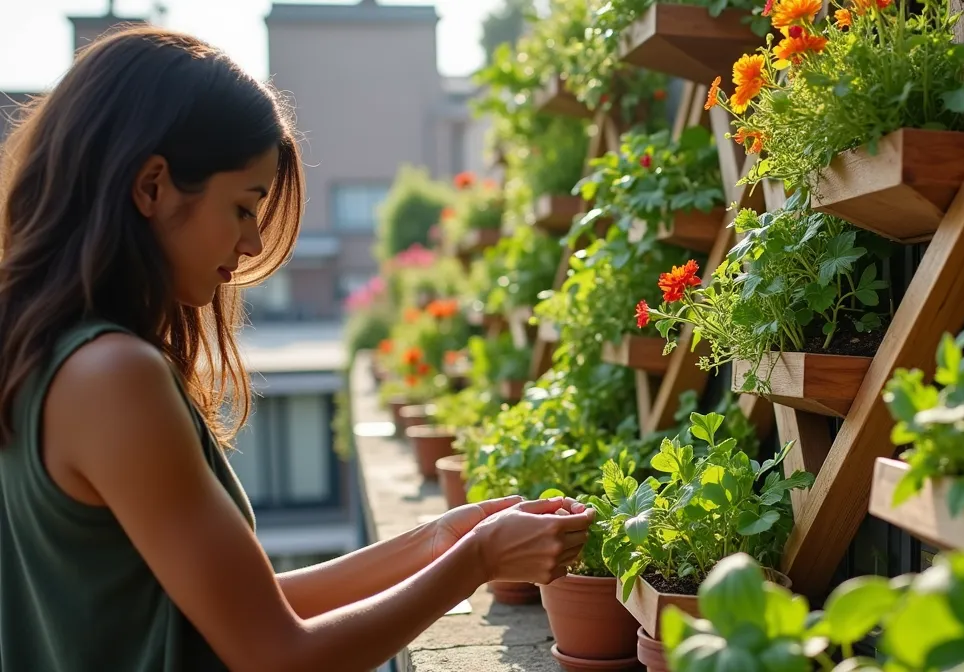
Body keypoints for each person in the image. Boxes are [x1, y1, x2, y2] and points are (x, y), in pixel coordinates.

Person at [0, 26, 593, 672]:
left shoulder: (41, 354)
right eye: (243, 206)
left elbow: (245, 612)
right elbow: (279, 657)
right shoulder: (112, 376)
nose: (253, 243)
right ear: (152, 186)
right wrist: (477, 561)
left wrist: (443, 539)